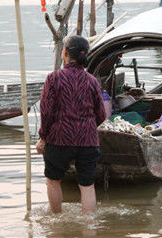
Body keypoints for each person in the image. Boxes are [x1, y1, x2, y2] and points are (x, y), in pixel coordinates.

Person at [36, 35, 106, 214]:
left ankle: (57, 221)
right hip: (88, 140)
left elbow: (46, 112)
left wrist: (43, 137)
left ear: (65, 53)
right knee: (87, 185)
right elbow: (101, 115)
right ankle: (89, 227)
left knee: (53, 180)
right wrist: (87, 127)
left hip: (59, 139)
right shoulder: (92, 81)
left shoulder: (54, 78)